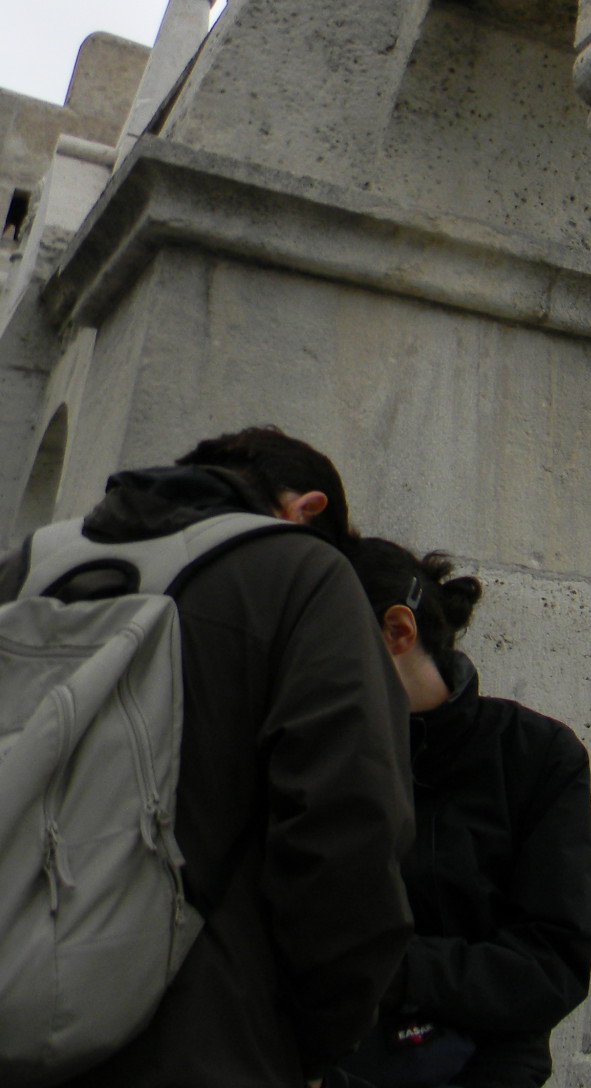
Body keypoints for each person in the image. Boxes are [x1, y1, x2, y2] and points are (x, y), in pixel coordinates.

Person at [2, 426, 414, 1088]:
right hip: (205, 1043)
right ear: (305, 510)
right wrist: (317, 1040)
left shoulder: (26, 567)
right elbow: (347, 830)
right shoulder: (304, 573)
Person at [334, 538, 591, 1088]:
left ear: (398, 633)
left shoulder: (538, 754)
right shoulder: (317, 755)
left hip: (483, 1067)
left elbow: (551, 968)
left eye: (318, 648)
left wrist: (391, 970)